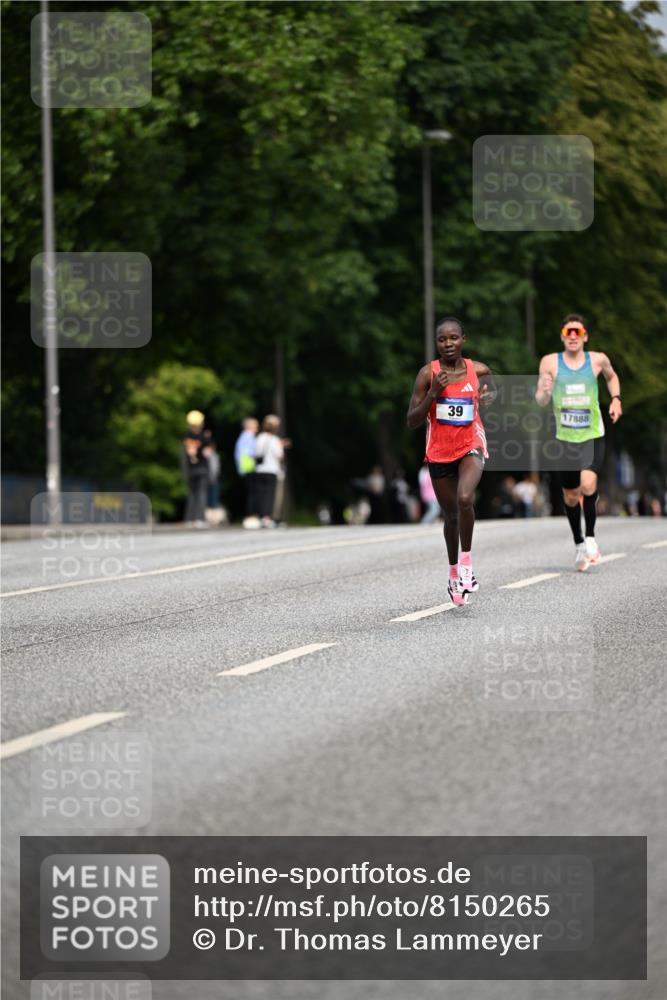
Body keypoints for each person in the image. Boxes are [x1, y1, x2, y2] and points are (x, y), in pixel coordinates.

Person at [407, 316, 496, 605]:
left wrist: (489, 394)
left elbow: (491, 388)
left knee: (465, 498)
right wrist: (433, 393)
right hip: (439, 450)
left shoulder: (478, 369)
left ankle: (468, 566)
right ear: (437, 343)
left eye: (454, 338)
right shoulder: (427, 374)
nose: (448, 343)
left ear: (463, 340)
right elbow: (412, 421)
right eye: (442, 339)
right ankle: (453, 573)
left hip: (471, 442)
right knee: (452, 516)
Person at [535, 313, 622, 571]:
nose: (573, 337)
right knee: (571, 495)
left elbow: (611, 376)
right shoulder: (550, 362)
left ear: (585, 336)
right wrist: (545, 391)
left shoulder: (597, 359)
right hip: (564, 438)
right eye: (568, 333)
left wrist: (616, 398)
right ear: (562, 336)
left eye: (577, 332)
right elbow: (540, 399)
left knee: (588, 482)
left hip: (592, 434)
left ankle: (592, 537)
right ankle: (579, 543)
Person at [254, 414, 289, 528]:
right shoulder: (275, 440)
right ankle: (267, 517)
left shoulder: (259, 437)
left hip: (260, 469)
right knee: (269, 495)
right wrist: (281, 446)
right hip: (271, 469)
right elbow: (279, 455)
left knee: (261, 494)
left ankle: (260, 517)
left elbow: (256, 453)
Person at [181, 410, 211, 528]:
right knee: (201, 493)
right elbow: (207, 453)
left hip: (190, 468)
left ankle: (189, 519)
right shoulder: (204, 436)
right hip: (202, 468)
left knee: (191, 494)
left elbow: (183, 453)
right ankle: (199, 519)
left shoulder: (185, 436)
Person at [234, 417, 259, 529]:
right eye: (255, 426)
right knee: (252, 494)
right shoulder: (248, 437)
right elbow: (251, 452)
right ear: (249, 426)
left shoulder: (243, 437)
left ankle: (250, 516)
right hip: (249, 467)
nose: (257, 428)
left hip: (245, 468)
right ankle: (251, 516)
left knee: (251, 493)